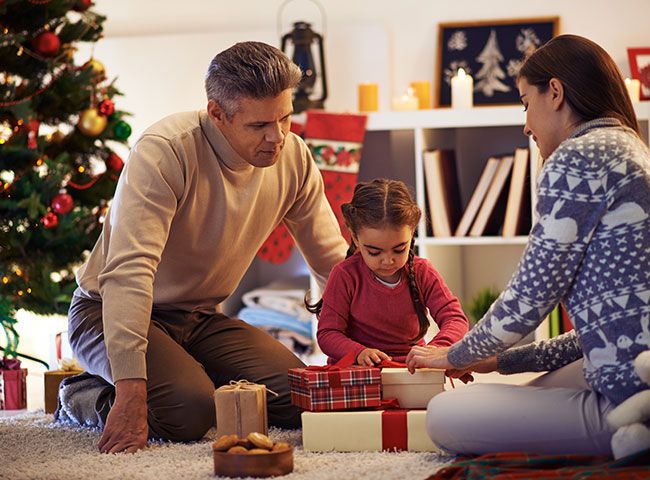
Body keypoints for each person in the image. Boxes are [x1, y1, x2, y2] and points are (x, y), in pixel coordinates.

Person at [66, 41, 348, 453]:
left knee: (300, 396)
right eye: (259, 126)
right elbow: (131, 271)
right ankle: (82, 395)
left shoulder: (294, 157)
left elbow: (331, 260)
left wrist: (354, 347)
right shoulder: (164, 151)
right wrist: (130, 393)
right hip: (106, 310)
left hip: (199, 318)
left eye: (286, 118)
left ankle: (183, 374)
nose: (278, 137)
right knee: (187, 413)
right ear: (217, 113)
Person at [406, 34, 650, 456]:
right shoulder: (630, 148)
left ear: (554, 92)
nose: (525, 124)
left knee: (444, 414)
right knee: (527, 388)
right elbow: (604, 332)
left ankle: (630, 432)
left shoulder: (578, 157)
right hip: (632, 363)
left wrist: (454, 357)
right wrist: (499, 362)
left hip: (630, 394)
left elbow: (529, 297)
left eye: (525, 103)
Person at [307, 178, 469, 366]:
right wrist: (359, 352)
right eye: (374, 252)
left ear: (412, 233)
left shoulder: (422, 271)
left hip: (409, 369)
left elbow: (455, 318)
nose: (388, 260)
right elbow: (327, 334)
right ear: (355, 238)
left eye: (399, 249)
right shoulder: (345, 274)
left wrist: (437, 349)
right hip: (358, 370)